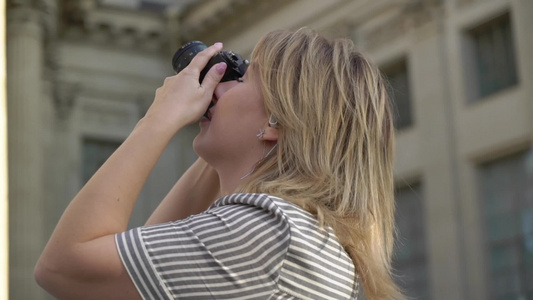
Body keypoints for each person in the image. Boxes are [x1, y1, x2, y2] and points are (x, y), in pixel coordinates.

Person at [35, 28, 403, 300]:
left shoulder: (268, 230)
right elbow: (123, 280)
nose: (219, 86)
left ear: (277, 120)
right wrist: (225, 133)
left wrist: (159, 119)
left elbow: (64, 268)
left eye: (243, 78)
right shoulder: (306, 235)